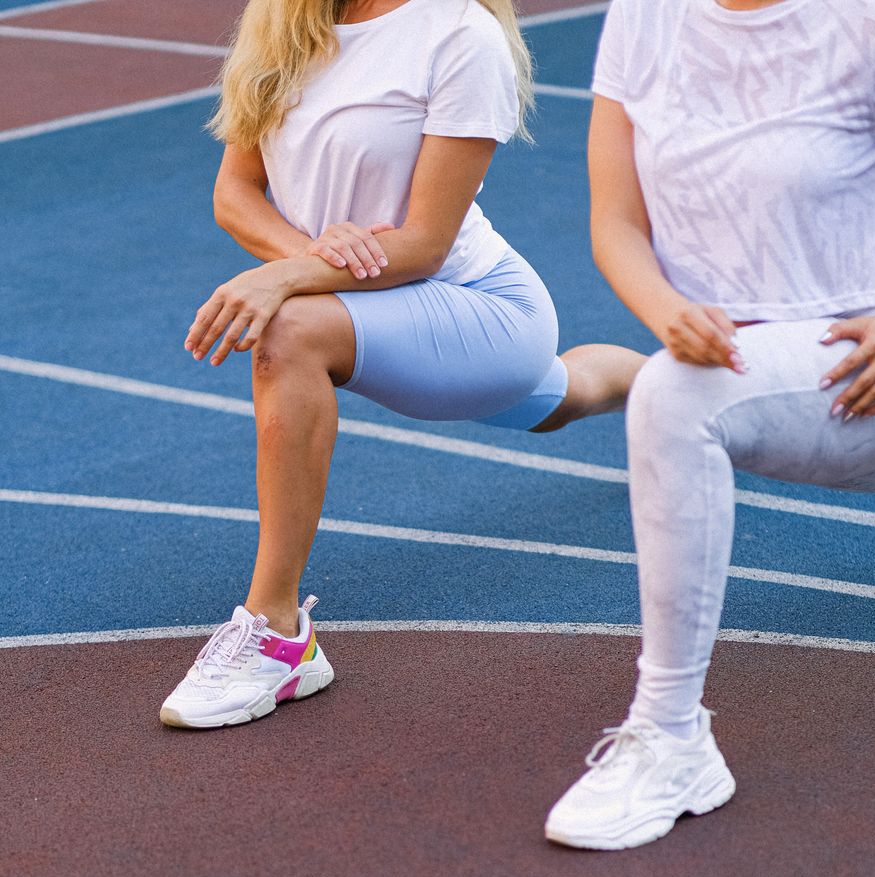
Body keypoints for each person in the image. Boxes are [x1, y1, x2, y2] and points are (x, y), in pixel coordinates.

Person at [545, 0, 875, 850]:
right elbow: (616, 223)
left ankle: (672, 737)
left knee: (672, 398)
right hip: (752, 376)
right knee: (721, 396)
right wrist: (666, 310)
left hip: (860, 358)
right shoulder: (644, 17)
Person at [160, 0, 644, 729]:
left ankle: (278, 635)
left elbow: (422, 244)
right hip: (359, 297)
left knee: (288, 333)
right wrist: (307, 260)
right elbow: (234, 193)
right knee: (564, 395)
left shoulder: (460, 34)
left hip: (476, 309)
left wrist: (287, 278)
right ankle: (663, 390)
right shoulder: (285, 22)